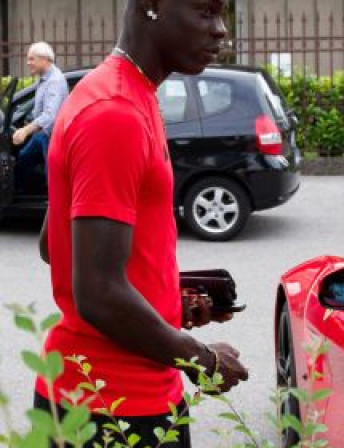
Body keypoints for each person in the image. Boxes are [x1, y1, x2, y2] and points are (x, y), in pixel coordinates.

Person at [34, 1, 247, 446]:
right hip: (109, 409)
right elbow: (98, 293)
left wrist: (170, 302)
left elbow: (55, 246)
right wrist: (204, 360)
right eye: (206, 12)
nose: (221, 30)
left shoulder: (119, 92)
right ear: (151, 6)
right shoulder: (114, 113)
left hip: (115, 398)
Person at [12, 41, 68, 185]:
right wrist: (29, 122)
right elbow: (40, 109)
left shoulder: (54, 81)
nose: (28, 63)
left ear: (44, 59)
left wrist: (25, 130)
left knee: (53, 179)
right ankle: (20, 192)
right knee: (22, 161)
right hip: (42, 134)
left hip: (52, 137)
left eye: (32, 59)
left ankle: (52, 205)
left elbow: (50, 116)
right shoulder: (45, 79)